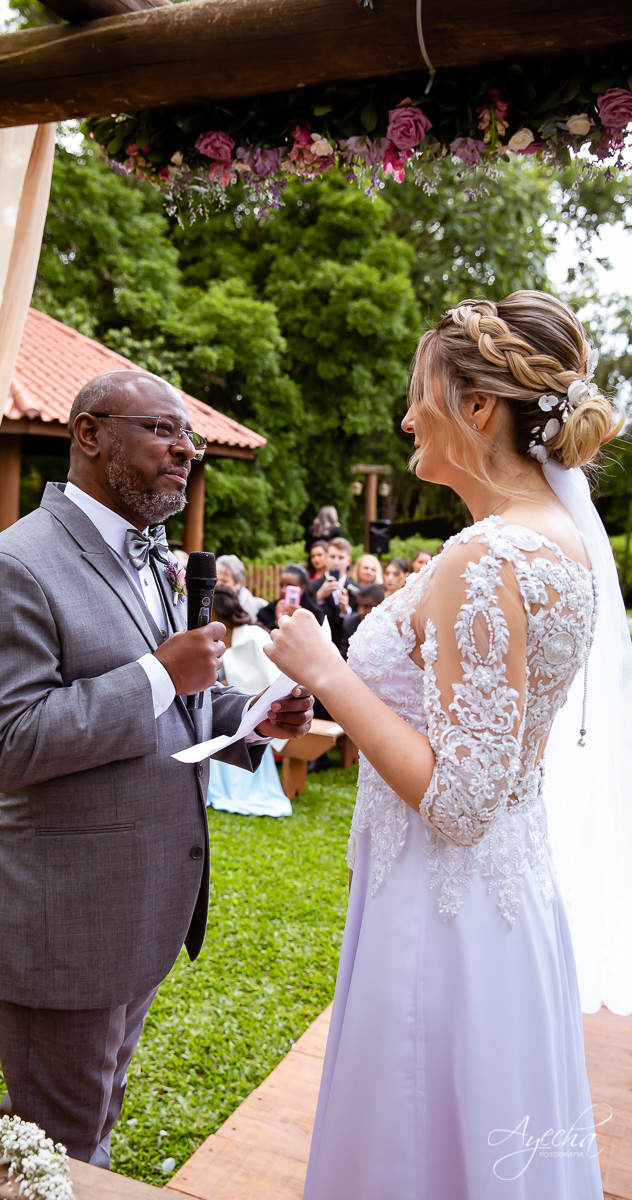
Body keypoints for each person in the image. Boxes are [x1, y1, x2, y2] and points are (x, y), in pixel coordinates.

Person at [264, 291, 625, 1198]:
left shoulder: (487, 558)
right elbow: (479, 745)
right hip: (506, 904)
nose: (403, 415)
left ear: (477, 408)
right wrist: (332, 705)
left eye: (419, 391)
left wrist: (331, 670)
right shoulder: (557, 543)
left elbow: (461, 803)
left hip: (440, 912)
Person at [0, 369, 313, 1168]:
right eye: (163, 432)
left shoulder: (154, 558)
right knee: (54, 1152)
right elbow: (4, 744)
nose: (184, 452)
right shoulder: (14, 566)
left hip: (140, 912)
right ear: (89, 434)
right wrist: (156, 673)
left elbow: (176, 708)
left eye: (192, 439)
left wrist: (251, 720)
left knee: (93, 1123)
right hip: (66, 920)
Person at [206, 585, 292, 818]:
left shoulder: (255, 637)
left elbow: (278, 679)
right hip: (238, 714)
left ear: (219, 614)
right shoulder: (218, 644)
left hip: (267, 712)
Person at [306, 537, 359, 655]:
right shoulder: (313, 587)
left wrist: (346, 611)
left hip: (347, 651)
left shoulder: (356, 589)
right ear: (326, 558)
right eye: (332, 556)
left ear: (348, 561)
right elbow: (305, 617)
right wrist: (318, 598)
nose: (336, 562)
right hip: (318, 649)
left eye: (341, 558)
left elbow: (360, 622)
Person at [257, 564, 318, 632]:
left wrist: (301, 617)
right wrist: (277, 622)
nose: (283, 590)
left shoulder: (314, 612)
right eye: (281, 585)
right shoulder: (269, 610)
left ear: (302, 588)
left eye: (290, 586)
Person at [216, 553, 267, 621]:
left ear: (238, 583)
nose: (218, 584)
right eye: (216, 580)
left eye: (224, 581)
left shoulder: (259, 608)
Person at [340, 584, 385, 659]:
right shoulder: (349, 625)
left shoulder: (392, 627)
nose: (360, 611)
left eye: (367, 606)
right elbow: (344, 658)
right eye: (359, 605)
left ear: (380, 605)